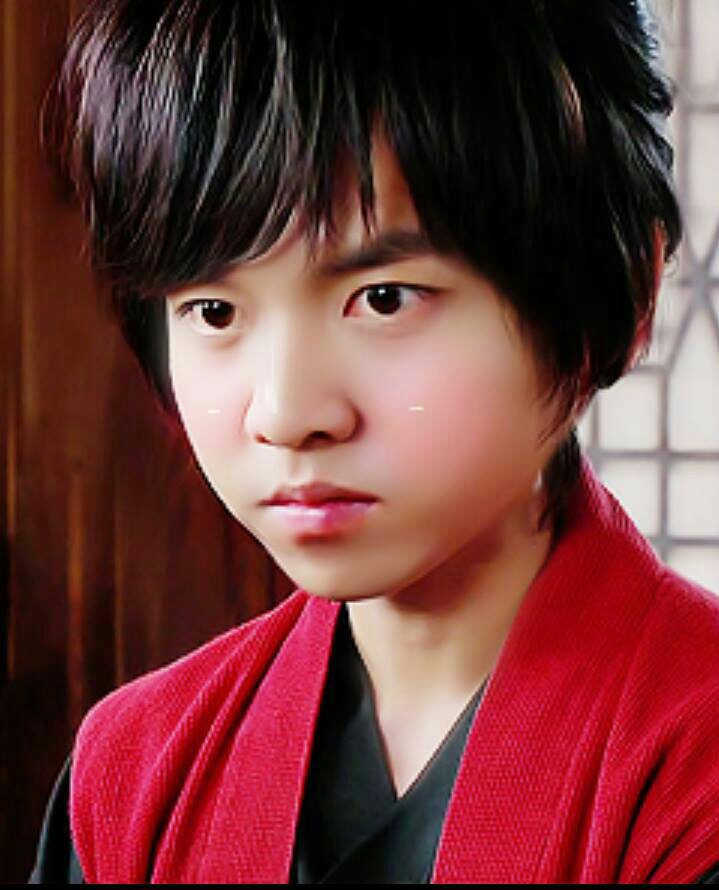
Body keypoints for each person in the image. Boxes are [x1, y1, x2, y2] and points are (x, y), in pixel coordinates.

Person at [29, 0, 719, 883]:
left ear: (619, 292)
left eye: (383, 299)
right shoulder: (133, 775)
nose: (286, 412)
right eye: (213, 311)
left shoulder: (691, 764)